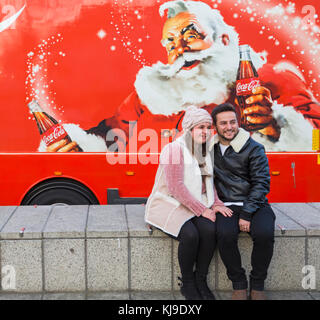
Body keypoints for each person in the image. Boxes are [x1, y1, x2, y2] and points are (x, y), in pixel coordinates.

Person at [40, 0, 319, 152]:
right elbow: (110, 135)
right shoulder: (152, 92)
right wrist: (78, 147)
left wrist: (275, 127)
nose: (180, 49)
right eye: (171, 43)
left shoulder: (272, 78)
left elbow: (316, 139)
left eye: (191, 36)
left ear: (222, 39)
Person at [144, 106, 232, 300]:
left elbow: (208, 183)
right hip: (169, 203)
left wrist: (216, 203)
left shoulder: (203, 150)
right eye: (200, 127)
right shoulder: (174, 149)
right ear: (189, 129)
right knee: (191, 235)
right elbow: (175, 187)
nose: (205, 131)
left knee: (209, 230)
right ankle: (188, 282)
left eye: (208, 127)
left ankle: (201, 279)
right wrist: (202, 210)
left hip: (191, 204)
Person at [210, 103, 275, 300]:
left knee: (264, 234)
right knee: (224, 234)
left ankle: (257, 285)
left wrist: (247, 213)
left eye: (232, 122)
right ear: (215, 126)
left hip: (255, 204)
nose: (229, 127)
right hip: (227, 205)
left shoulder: (254, 148)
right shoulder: (208, 148)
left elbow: (262, 183)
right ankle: (238, 284)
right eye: (223, 123)